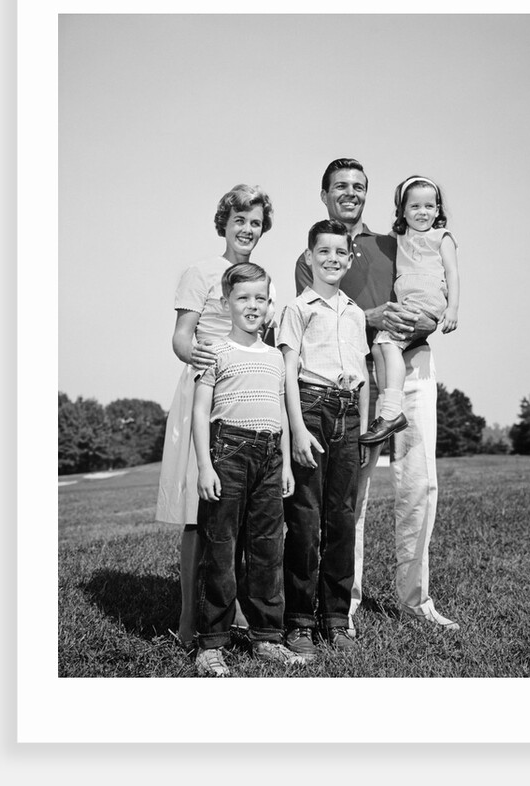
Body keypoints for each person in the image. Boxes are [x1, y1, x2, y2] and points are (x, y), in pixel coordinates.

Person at [295, 158, 460, 632]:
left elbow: (436, 281)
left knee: (420, 482)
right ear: (324, 194)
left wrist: (433, 316)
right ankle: (344, 602)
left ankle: (416, 600)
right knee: (355, 490)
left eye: (359, 186)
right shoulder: (314, 253)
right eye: (340, 186)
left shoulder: (395, 240)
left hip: (415, 364)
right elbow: (321, 315)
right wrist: (376, 316)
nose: (351, 193)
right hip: (355, 375)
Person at [155, 184, 275, 651]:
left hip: (247, 399)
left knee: (241, 516)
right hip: (205, 394)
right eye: (240, 220)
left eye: (256, 222)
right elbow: (181, 338)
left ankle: (239, 614)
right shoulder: (200, 272)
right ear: (224, 222)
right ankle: (188, 623)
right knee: (198, 516)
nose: (248, 229)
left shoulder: (258, 280)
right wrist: (200, 357)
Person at [192, 262, 305, 677]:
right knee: (221, 548)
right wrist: (206, 466)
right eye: (243, 298)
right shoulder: (215, 351)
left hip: (271, 456)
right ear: (226, 303)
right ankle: (211, 644)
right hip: (228, 452)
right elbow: (200, 411)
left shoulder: (276, 357)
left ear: (269, 302)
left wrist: (287, 465)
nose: (252, 305)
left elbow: (279, 410)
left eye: (260, 298)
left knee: (267, 550)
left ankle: (267, 637)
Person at [279, 219, 370, 657]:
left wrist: (366, 432)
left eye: (340, 252)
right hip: (311, 411)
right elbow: (289, 375)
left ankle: (335, 618)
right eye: (324, 252)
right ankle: (298, 620)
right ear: (309, 257)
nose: (333, 259)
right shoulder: (298, 309)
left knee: (342, 519)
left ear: (349, 259)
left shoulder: (354, 313)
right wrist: (297, 428)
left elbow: (364, 375)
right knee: (305, 519)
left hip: (348, 415)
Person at [359, 175, 459, 446]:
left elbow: (452, 273)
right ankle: (388, 407)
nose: (422, 212)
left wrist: (452, 309)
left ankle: (391, 412)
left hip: (425, 299)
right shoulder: (400, 237)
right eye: (414, 206)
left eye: (429, 206)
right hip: (408, 300)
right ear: (402, 210)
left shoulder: (442, 237)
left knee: (387, 342)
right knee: (380, 344)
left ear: (438, 209)